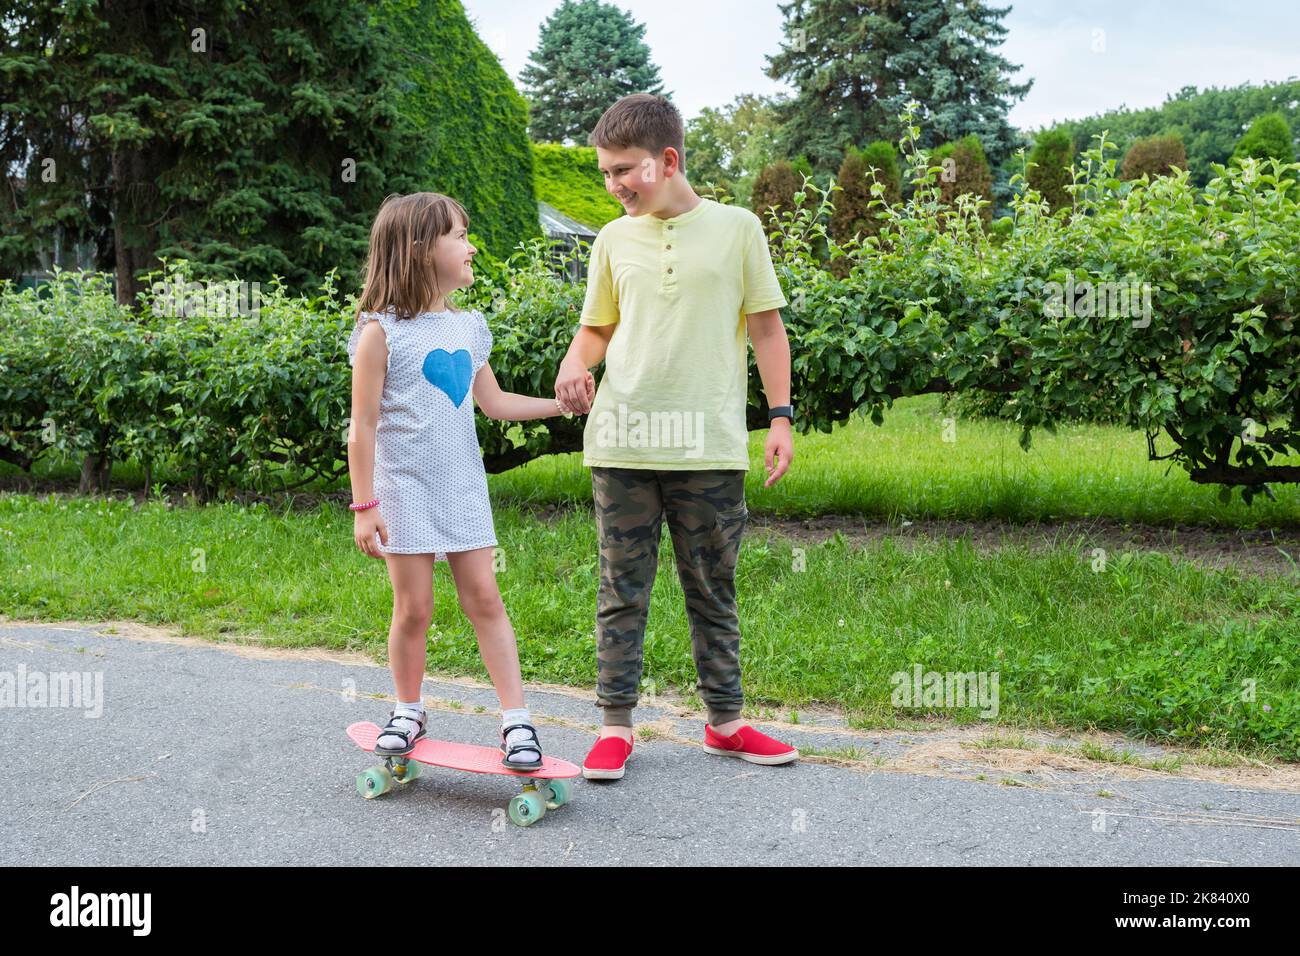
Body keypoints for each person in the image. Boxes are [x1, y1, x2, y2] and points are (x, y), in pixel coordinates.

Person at [554, 94, 800, 780]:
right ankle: (614, 727)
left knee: (712, 587)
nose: (614, 185)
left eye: (625, 170)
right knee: (620, 589)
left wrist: (780, 418)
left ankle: (725, 722)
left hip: (708, 446)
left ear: (667, 160)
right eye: (606, 173)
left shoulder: (738, 229)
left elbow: (766, 329)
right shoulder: (612, 239)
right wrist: (574, 365)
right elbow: (597, 329)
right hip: (623, 443)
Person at [347, 192, 593, 770]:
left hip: (462, 486)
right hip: (403, 490)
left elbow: (497, 403)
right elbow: (360, 426)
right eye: (459, 235)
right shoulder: (380, 332)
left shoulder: (470, 326)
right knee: (414, 608)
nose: (471, 245)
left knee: (484, 597)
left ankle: (516, 721)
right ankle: (408, 710)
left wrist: (565, 408)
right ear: (419, 250)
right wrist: (365, 505)